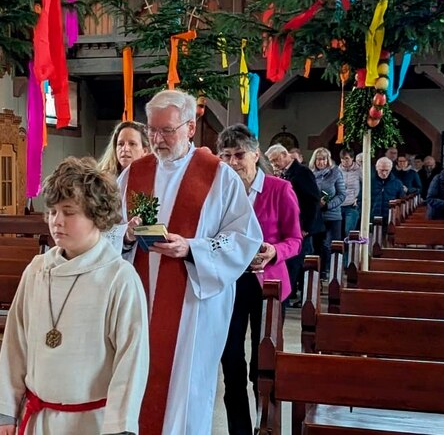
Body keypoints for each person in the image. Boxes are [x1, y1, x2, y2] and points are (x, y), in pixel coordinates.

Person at [118, 90, 261, 435]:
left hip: (193, 304)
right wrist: (125, 235)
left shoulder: (219, 176)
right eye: (152, 130)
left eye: (167, 130)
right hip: (139, 298)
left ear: (190, 127)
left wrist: (193, 249)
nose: (157, 139)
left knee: (186, 389)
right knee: (137, 385)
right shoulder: (134, 174)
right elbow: (105, 227)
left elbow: (244, 239)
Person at [0, 157, 149, 434]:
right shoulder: (38, 270)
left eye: (69, 212)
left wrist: (120, 427)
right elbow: (15, 344)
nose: (57, 222)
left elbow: (131, 362)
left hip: (93, 422)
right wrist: (6, 412)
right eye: (52, 212)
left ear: (97, 215)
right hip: (38, 419)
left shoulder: (118, 277)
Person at [216, 125, 301, 435]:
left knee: (263, 366)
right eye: (225, 156)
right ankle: (239, 430)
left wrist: (273, 251)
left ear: (256, 154)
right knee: (232, 363)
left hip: (268, 286)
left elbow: (295, 239)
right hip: (229, 284)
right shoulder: (219, 192)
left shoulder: (279, 189)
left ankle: (267, 425)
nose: (233, 162)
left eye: (239, 155)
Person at [266, 144, 321, 308]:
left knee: (297, 264)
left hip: (302, 227)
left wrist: (306, 228)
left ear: (285, 154)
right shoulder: (285, 172)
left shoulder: (302, 172)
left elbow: (313, 200)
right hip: (292, 226)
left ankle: (293, 298)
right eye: (272, 162)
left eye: (276, 160)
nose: (275, 165)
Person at [308, 148, 346, 279]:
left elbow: (341, 195)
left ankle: (333, 274)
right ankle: (319, 273)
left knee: (331, 246)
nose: (321, 162)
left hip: (333, 215)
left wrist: (328, 205)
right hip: (316, 216)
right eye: (318, 159)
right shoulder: (310, 174)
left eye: (324, 159)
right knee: (316, 247)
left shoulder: (335, 173)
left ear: (328, 160)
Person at [362, 157, 407, 226]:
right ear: (376, 168)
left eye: (387, 170)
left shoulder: (397, 183)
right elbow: (360, 199)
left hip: (390, 219)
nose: (384, 173)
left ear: (391, 169)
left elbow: (401, 201)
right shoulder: (369, 182)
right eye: (381, 170)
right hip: (371, 217)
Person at [338, 149, 362, 235]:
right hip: (339, 205)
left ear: (352, 158)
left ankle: (349, 248)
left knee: (349, 231)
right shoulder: (337, 171)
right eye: (342, 158)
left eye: (347, 158)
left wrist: (358, 198)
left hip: (352, 205)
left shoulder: (359, 170)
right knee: (338, 232)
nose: (344, 161)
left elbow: (365, 185)